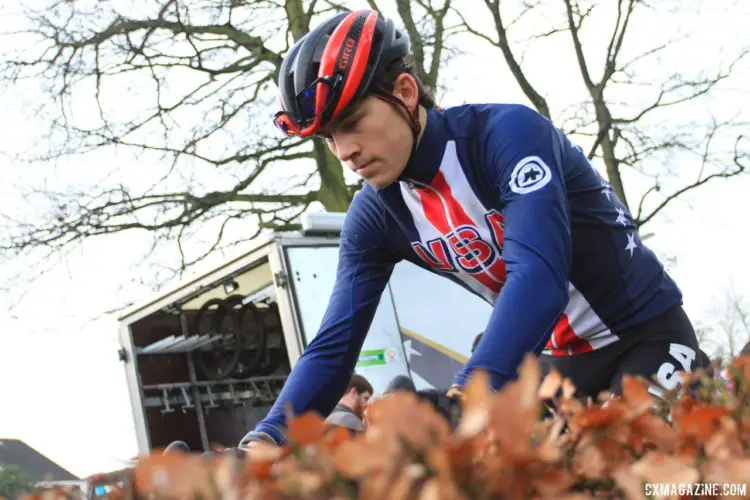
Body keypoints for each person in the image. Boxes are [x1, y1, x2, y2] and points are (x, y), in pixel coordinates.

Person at [240, 8, 706, 447]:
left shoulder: (506, 135)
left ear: (404, 92)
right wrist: (266, 439)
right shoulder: (375, 215)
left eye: (354, 122)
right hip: (555, 367)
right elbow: (333, 346)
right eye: (330, 137)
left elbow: (540, 280)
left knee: (641, 473)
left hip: (648, 338)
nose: (344, 151)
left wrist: (467, 393)